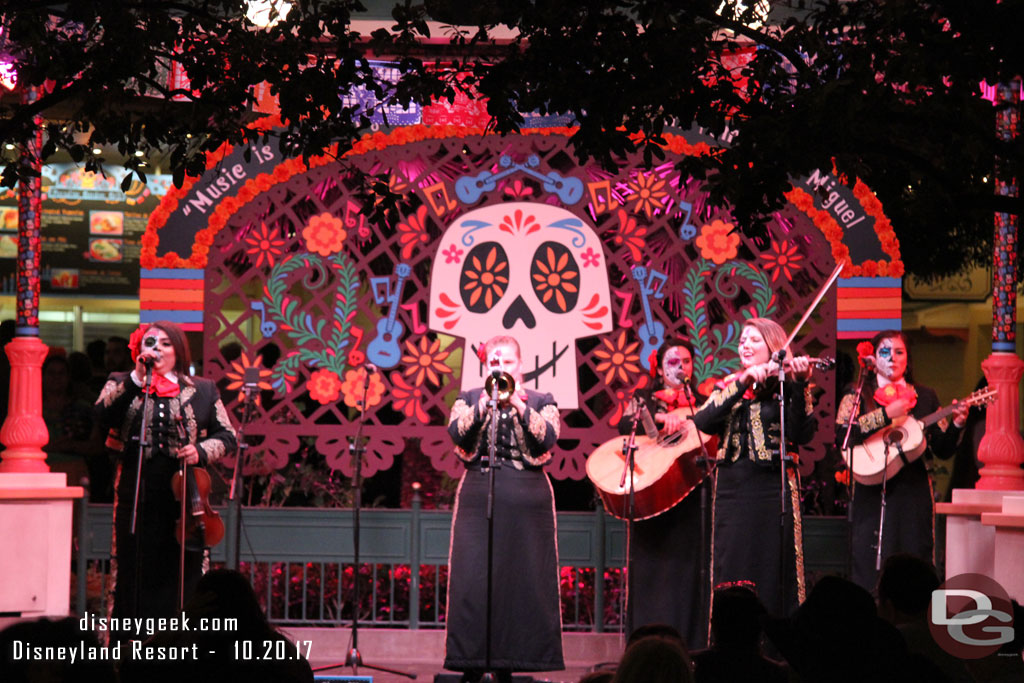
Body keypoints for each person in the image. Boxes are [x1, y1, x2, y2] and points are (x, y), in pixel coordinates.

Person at [95, 321, 236, 635]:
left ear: (179, 350)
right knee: (133, 568)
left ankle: (183, 646)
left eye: (165, 344)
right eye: (149, 342)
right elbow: (102, 417)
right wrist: (136, 379)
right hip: (136, 491)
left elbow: (228, 435)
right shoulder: (120, 382)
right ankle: (128, 649)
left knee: (183, 572)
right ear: (139, 349)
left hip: (184, 498)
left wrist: (199, 450)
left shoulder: (202, 389)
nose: (156, 349)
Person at [444, 335, 564, 682]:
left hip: (528, 494)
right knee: (474, 576)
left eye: (507, 363)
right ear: (486, 367)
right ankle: (471, 660)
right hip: (479, 490)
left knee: (521, 578)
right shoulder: (469, 398)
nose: (500, 368)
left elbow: (548, 438)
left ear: (520, 365)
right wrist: (484, 405)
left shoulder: (542, 399)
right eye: (494, 364)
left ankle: (510, 660)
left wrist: (518, 406)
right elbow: (457, 434)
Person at [692, 318, 817, 617]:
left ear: (774, 346)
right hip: (732, 489)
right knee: (731, 563)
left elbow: (802, 433)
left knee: (775, 565)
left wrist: (799, 385)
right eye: (742, 340)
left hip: (773, 489)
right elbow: (702, 422)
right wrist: (743, 382)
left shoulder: (786, 384)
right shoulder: (730, 385)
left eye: (754, 340)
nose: (745, 346)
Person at [836, 330, 965, 592]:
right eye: (884, 351)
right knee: (870, 559)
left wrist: (958, 424)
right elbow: (843, 434)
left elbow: (942, 448)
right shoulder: (858, 394)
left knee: (915, 556)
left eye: (899, 352)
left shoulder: (925, 397)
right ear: (873, 358)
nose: (892, 358)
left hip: (913, 491)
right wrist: (885, 415)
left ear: (908, 359)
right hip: (871, 491)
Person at [619, 338, 712, 650]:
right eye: (673, 362)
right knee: (651, 571)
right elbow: (625, 422)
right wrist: (660, 417)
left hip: (690, 496)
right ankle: (644, 645)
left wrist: (686, 417)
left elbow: (711, 428)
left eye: (685, 362)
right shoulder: (645, 398)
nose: (680, 368)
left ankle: (690, 645)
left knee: (689, 571)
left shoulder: (701, 400)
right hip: (652, 497)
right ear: (659, 367)